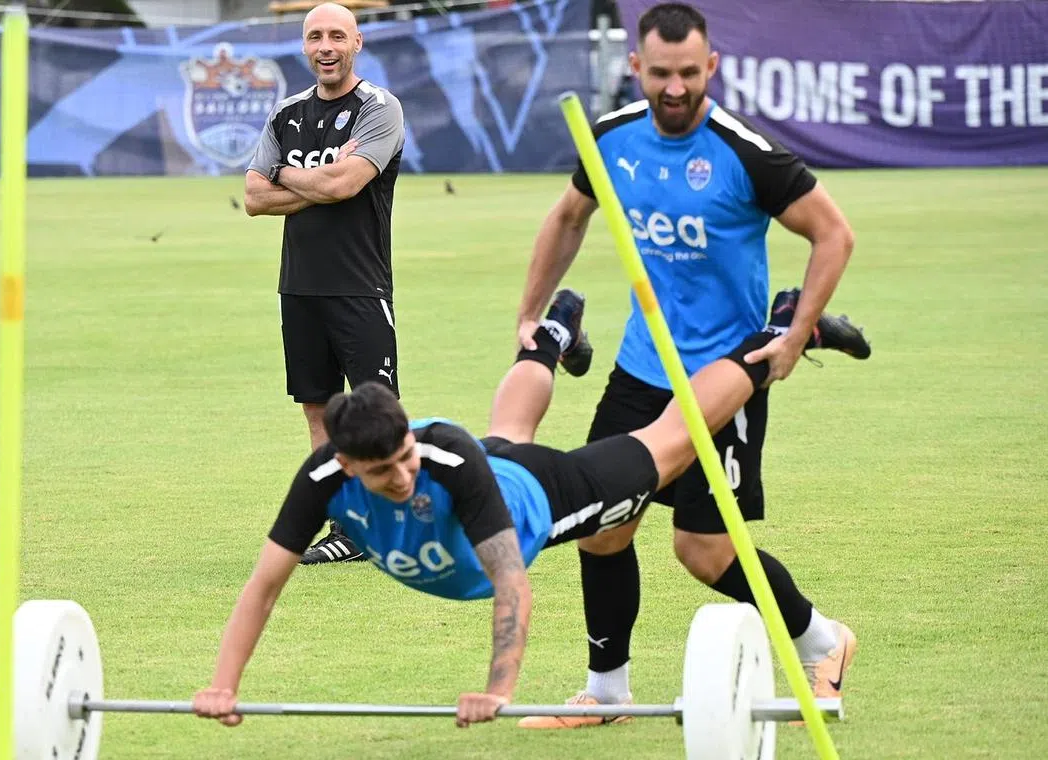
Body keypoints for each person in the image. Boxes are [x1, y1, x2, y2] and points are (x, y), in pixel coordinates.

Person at [192, 288, 869, 728]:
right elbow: (263, 588)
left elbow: (513, 584)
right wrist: (223, 685)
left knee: (670, 437)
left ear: (408, 433)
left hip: (551, 496)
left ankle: (783, 333)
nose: (403, 475)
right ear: (344, 464)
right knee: (508, 431)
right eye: (382, 471)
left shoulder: (443, 458)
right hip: (499, 471)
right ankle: (553, 332)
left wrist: (498, 687)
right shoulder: (319, 478)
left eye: (406, 456)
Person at [513, 2, 866, 728]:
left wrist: (796, 335)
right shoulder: (611, 138)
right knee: (602, 525)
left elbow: (833, 233)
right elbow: (567, 217)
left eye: (688, 75)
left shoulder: (747, 153)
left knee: (702, 551)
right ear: (636, 69)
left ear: (711, 67)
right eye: (660, 75)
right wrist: (530, 309)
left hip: (727, 374)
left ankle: (824, 642)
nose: (674, 89)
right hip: (642, 369)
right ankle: (606, 691)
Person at [245, 2, 405, 565]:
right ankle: (347, 528)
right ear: (304, 46)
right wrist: (315, 179)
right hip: (300, 288)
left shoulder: (378, 109)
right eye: (316, 37)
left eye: (337, 35)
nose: (326, 47)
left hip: (360, 286)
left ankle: (394, 517)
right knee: (319, 411)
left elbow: (343, 184)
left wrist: (287, 172)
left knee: (377, 409)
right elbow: (252, 198)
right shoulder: (286, 113)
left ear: (357, 42)